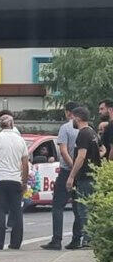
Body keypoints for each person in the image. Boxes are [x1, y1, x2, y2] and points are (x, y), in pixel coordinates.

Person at [0, 114, 29, 251]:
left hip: (0, 179)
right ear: (12, 124)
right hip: (15, 180)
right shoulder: (20, 140)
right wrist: (24, 182)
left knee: (0, 210)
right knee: (16, 211)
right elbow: (25, 164)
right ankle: (16, 242)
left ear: (0, 125)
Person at [42, 101, 80, 250]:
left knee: (58, 205)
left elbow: (63, 151)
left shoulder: (65, 128)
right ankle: (77, 239)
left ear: (68, 112)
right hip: (81, 172)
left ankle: (56, 240)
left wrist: (72, 168)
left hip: (66, 171)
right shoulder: (87, 128)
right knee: (78, 207)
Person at [65, 106, 101, 250]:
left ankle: (88, 239)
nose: (71, 120)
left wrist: (71, 176)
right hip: (93, 175)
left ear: (78, 118)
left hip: (85, 176)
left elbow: (81, 156)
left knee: (83, 209)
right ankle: (90, 238)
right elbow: (102, 149)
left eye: (73, 117)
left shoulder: (83, 134)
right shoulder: (92, 132)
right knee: (89, 208)